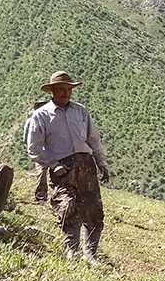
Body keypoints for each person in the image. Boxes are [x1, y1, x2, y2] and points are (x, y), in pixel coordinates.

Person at [26, 71, 110, 262]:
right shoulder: (41, 115)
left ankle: (91, 254)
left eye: (68, 89)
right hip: (63, 167)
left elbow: (93, 139)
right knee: (68, 207)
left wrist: (101, 163)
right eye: (61, 89)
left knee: (93, 209)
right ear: (53, 91)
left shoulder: (81, 111)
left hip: (86, 165)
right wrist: (53, 164)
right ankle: (71, 250)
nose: (65, 93)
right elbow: (34, 148)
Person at [22, 100, 50, 202]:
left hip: (52, 151)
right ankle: (41, 197)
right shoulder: (32, 121)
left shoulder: (51, 119)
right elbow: (27, 138)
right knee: (42, 174)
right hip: (40, 152)